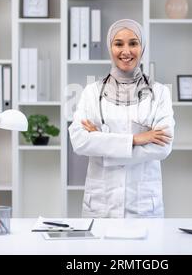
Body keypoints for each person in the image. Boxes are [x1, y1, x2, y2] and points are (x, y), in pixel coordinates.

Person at [68, 19, 175, 218]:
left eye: (133, 43)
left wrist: (101, 142)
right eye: (118, 44)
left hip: (143, 206)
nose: (126, 51)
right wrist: (136, 139)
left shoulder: (159, 93)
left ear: (142, 47)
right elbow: (79, 141)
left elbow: (163, 147)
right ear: (110, 47)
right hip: (101, 205)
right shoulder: (92, 92)